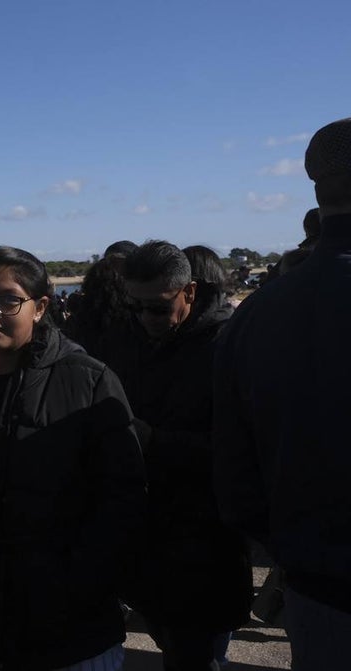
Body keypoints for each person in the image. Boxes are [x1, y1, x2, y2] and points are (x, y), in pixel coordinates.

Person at [213, 115, 351, 670]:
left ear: (319, 189)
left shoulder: (259, 312)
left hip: (319, 591)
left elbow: (232, 469)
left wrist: (293, 550)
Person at [0, 246, 146, 671]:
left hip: (70, 619)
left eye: (8, 300)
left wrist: (81, 580)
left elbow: (123, 496)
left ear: (40, 307)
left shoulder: (88, 379)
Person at [103, 241, 252, 671]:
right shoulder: (129, 336)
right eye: (135, 306)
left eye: (157, 307)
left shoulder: (227, 345)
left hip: (204, 534)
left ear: (188, 291)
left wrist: (155, 441)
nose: (144, 318)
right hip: (144, 527)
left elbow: (245, 446)